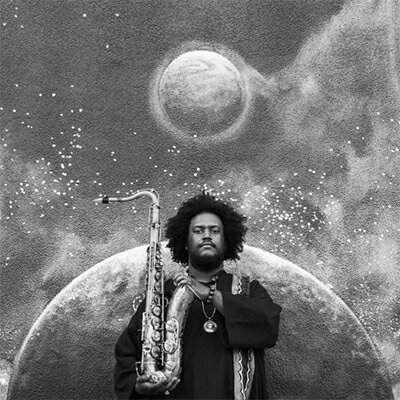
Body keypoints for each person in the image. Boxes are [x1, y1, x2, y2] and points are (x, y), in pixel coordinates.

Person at [114, 193, 282, 399]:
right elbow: (126, 352)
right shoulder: (162, 295)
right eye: (198, 230)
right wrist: (139, 387)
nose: (207, 236)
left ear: (226, 242)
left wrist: (209, 294)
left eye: (215, 231)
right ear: (185, 242)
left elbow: (269, 325)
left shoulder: (249, 290)